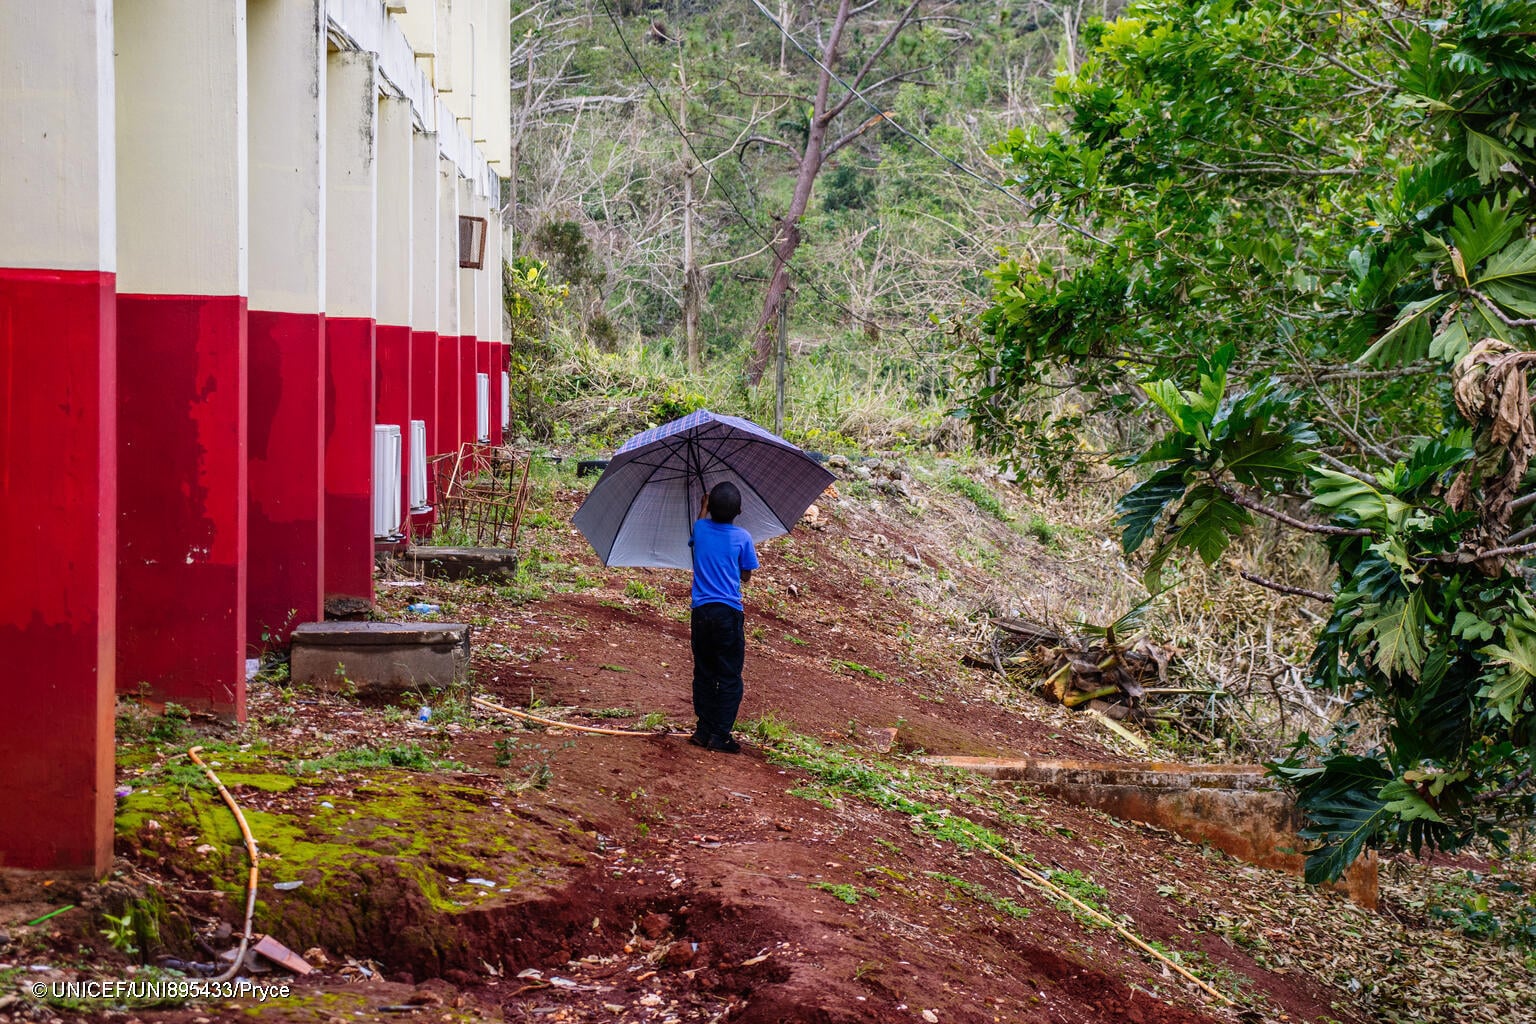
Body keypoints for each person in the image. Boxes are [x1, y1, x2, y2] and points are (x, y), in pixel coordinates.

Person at [688, 481, 759, 753]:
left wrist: (703, 509)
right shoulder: (743, 538)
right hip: (728, 614)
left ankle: (703, 730)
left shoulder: (700, 528)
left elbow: (697, 532)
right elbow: (747, 575)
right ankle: (720, 735)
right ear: (739, 510)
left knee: (704, 671)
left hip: (701, 613)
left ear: (709, 507)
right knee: (729, 675)